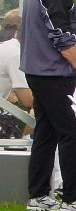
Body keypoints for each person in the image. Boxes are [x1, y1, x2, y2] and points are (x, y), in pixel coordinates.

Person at [20, 0, 76, 211]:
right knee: (70, 133)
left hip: (39, 71)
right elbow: (61, 35)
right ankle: (73, 198)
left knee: (46, 132)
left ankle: (38, 194)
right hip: (53, 73)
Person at [0, 10, 33, 138]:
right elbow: (28, 100)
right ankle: (20, 144)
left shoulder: (7, 47)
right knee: (42, 109)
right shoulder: (15, 54)